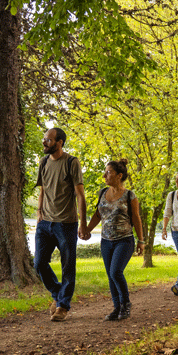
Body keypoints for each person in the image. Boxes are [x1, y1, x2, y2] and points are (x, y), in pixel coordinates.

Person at [35, 127, 89, 322]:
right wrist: (39, 212)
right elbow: (42, 190)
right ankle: (58, 294)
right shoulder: (43, 163)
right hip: (45, 223)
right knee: (39, 263)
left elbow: (80, 195)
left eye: (48, 140)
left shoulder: (72, 162)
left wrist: (83, 224)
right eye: (44, 139)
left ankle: (63, 306)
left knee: (68, 266)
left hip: (66, 224)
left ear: (60, 143)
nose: (44, 142)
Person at [84, 159, 145, 321]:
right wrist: (87, 230)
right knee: (110, 275)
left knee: (115, 272)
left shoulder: (129, 195)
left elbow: (136, 218)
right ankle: (117, 307)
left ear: (119, 175)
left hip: (124, 240)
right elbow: (98, 215)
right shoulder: (103, 193)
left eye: (108, 172)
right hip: (106, 241)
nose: (105, 175)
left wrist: (141, 240)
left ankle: (126, 304)